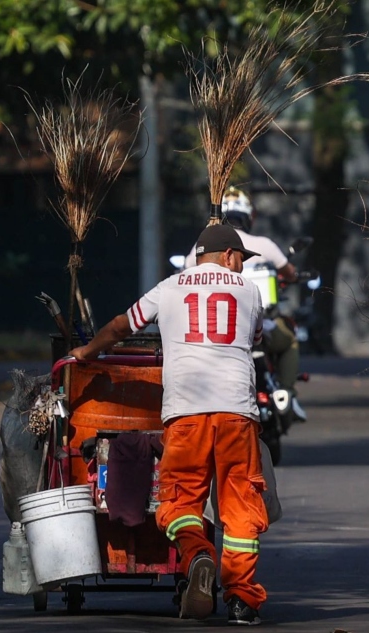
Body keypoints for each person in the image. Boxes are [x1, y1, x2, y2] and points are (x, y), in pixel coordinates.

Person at [71, 224, 269, 625]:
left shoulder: (169, 287)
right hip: (236, 413)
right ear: (230, 255)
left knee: (178, 503)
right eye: (241, 260)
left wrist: (87, 351)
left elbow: (121, 326)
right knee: (241, 507)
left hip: (186, 414)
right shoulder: (249, 291)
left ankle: (196, 554)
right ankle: (241, 601)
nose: (241, 268)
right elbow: (256, 339)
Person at [182, 187, 304, 419]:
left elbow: (184, 271)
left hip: (213, 331)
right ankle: (286, 392)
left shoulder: (201, 250)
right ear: (249, 217)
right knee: (289, 338)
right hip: (254, 330)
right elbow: (290, 272)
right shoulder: (264, 246)